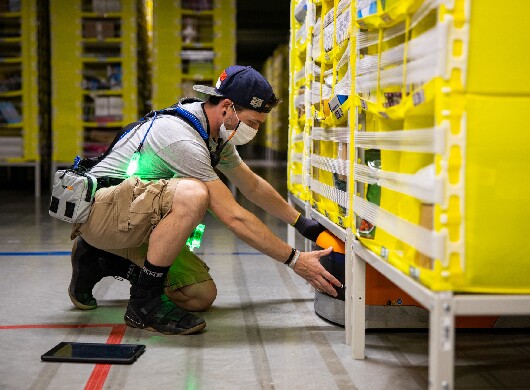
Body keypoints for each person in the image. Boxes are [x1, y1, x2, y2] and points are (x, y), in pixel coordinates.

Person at [69, 65, 341, 335]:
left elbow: (252, 185)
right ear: (227, 107)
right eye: (253, 122)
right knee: (194, 194)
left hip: (132, 217)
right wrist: (295, 260)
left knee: (199, 295)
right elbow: (233, 216)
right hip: (101, 215)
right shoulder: (182, 139)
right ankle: (144, 303)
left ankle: (98, 258)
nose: (255, 130)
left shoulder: (211, 134)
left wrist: (302, 223)